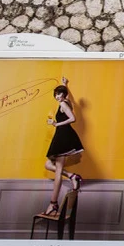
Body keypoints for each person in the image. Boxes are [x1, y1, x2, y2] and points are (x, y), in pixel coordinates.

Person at [42, 77, 84, 216]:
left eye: (60, 94)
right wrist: (64, 84)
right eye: (56, 94)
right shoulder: (67, 102)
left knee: (58, 171)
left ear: (64, 95)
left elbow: (73, 118)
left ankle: (53, 204)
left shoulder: (63, 104)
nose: (57, 97)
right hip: (62, 135)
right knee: (48, 165)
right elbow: (68, 98)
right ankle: (72, 176)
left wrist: (55, 124)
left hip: (63, 136)